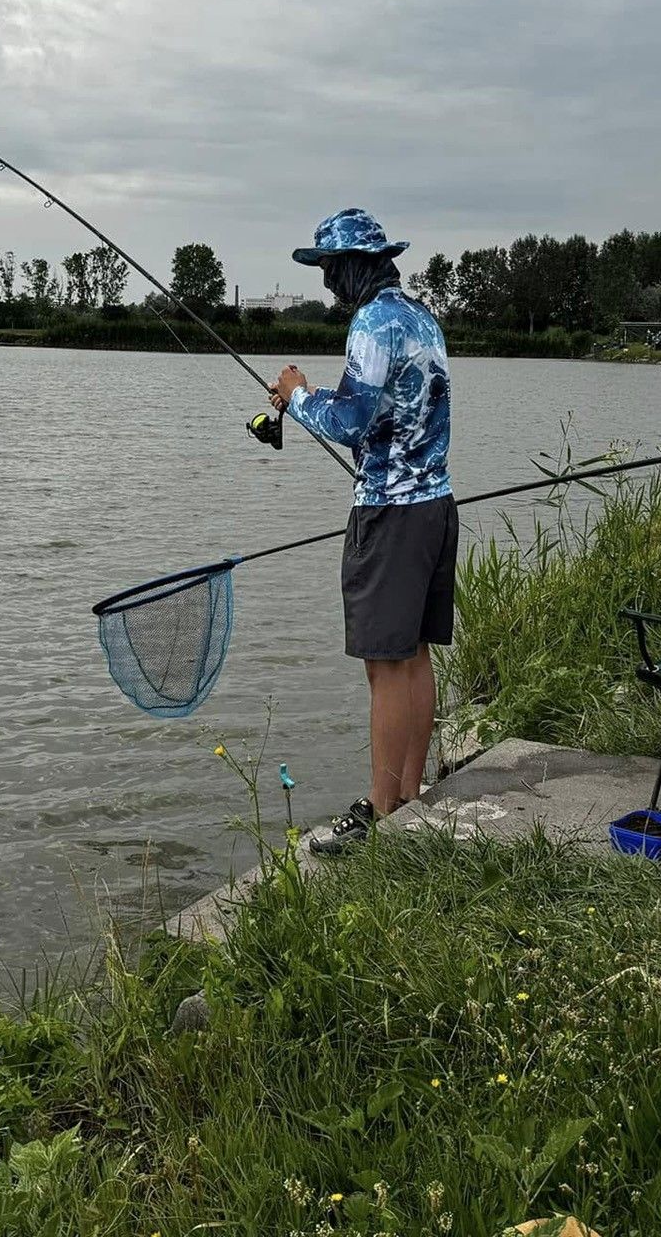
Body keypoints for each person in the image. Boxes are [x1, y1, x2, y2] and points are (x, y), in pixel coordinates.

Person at [268, 209, 454, 856]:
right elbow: (386, 414)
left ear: (355, 265)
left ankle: (377, 811)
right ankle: (409, 795)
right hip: (435, 504)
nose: (326, 284)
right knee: (415, 653)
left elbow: (351, 420)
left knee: (384, 661)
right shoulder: (420, 316)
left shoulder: (373, 322)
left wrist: (297, 395)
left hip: (391, 512)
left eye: (329, 269)